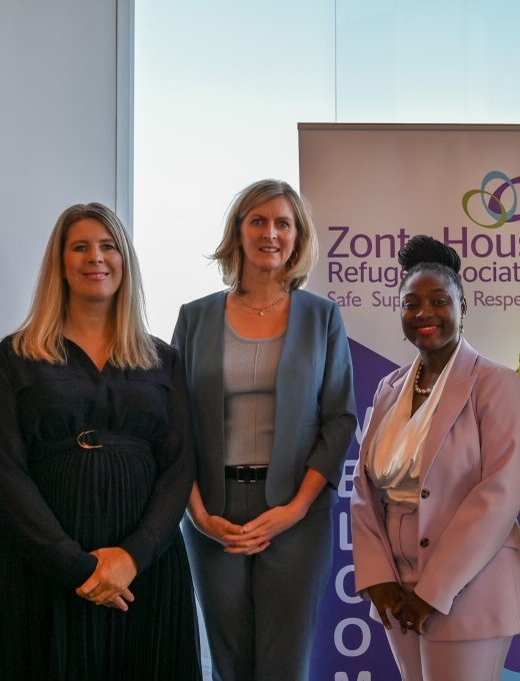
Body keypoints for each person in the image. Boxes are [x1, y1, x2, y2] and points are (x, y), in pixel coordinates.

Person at [0, 203, 199, 681]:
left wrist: (134, 555)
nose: (96, 257)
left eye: (108, 246)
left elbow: (179, 467)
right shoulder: (15, 357)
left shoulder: (164, 360)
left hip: (145, 575)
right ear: (60, 262)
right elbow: (2, 468)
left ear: (125, 260)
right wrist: (75, 566)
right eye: (81, 247)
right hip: (37, 568)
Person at [172, 179, 356, 681]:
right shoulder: (195, 318)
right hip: (214, 513)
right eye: (257, 220)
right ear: (238, 232)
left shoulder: (323, 317)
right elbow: (174, 424)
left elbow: (339, 419)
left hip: (297, 515)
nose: (269, 233)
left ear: (297, 238)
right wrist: (199, 514)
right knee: (228, 664)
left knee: (284, 664)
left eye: (282, 223)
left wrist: (294, 509)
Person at [351, 235, 520, 681]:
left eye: (439, 301)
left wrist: (434, 591)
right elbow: (364, 489)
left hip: (470, 582)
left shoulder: (495, 383)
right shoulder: (388, 388)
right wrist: (377, 577)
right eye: (411, 303)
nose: (424, 314)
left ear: (463, 307)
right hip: (396, 585)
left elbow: (499, 494)